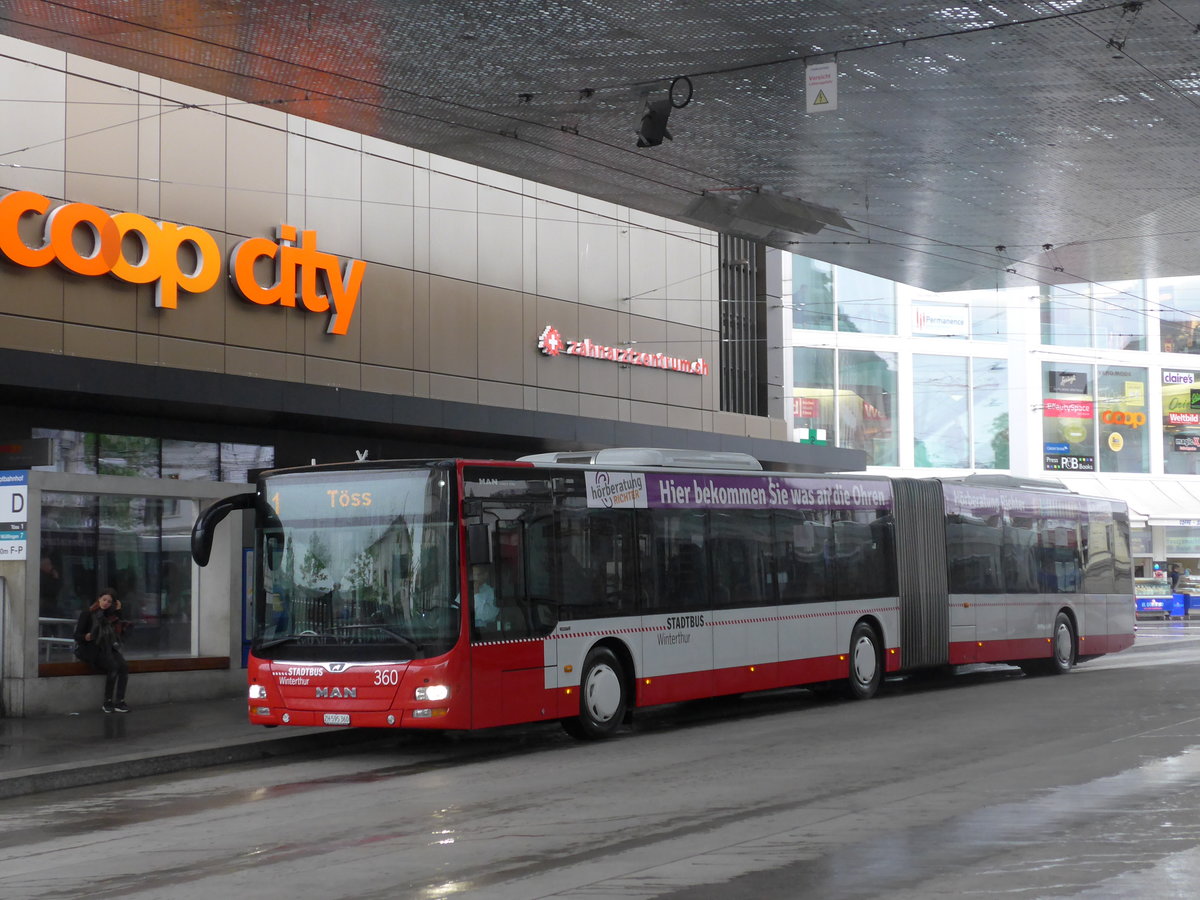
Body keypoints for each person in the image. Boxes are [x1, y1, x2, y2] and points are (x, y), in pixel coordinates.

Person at [74, 588, 131, 713]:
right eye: (104, 599)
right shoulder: (88, 614)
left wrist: (118, 610)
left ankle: (120, 701)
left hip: (107, 647)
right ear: (99, 599)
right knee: (113, 666)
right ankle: (108, 701)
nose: (105, 603)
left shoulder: (110, 616)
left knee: (124, 666)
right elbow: (77, 635)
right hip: (91, 649)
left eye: (109, 602)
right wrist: (85, 637)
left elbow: (119, 629)